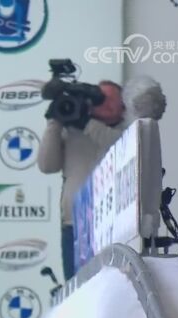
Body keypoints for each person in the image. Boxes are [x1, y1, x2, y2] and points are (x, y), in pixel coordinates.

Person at [37, 80, 127, 281]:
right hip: (74, 226)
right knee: (77, 294)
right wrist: (55, 121)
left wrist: (86, 123)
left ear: (122, 105)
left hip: (112, 224)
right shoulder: (73, 129)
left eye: (110, 100)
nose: (105, 104)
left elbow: (117, 147)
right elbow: (47, 165)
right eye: (99, 99)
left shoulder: (128, 130)